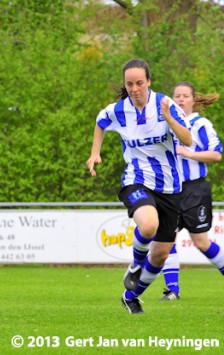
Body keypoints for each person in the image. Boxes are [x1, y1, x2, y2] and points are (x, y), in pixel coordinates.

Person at [86, 58, 192, 314]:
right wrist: (94, 153)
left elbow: (187, 140)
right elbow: (100, 122)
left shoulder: (165, 104)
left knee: (160, 255)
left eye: (139, 83)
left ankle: (130, 295)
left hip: (170, 187)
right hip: (136, 179)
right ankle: (135, 265)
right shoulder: (119, 110)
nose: (135, 89)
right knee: (148, 224)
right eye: (129, 84)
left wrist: (169, 117)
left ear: (149, 82)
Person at [159, 82, 223, 301]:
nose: (180, 99)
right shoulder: (166, 124)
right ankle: (172, 291)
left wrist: (188, 153)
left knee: (201, 242)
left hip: (195, 190)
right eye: (176, 95)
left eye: (185, 96)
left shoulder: (200, 124)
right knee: (166, 238)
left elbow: (216, 155)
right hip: (171, 190)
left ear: (193, 100)